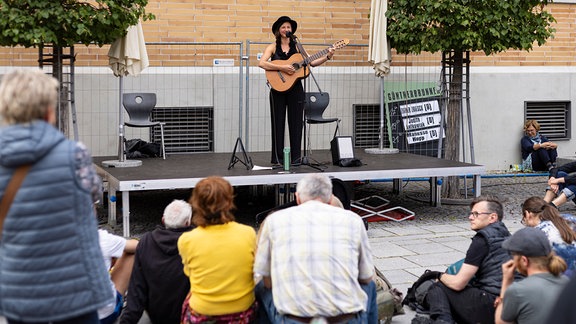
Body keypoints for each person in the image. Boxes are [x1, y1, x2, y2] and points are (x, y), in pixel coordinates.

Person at [0, 69, 112, 323]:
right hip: (76, 289)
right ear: (48, 111)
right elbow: (94, 194)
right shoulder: (75, 155)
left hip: (19, 289)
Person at [254, 173, 377, 323]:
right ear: (331, 198)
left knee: (260, 288)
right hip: (343, 318)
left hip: (294, 319)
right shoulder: (354, 220)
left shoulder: (273, 220)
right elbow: (366, 277)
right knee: (370, 286)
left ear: (297, 198)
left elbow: (266, 280)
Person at [178, 176, 257, 323]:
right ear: (229, 202)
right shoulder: (248, 233)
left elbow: (190, 273)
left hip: (203, 311)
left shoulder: (187, 240)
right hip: (241, 311)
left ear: (196, 204)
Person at [258, 16, 335, 165]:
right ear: (278, 30)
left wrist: (328, 56)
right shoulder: (273, 46)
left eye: (289, 27)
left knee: (296, 123)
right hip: (277, 90)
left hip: (296, 90)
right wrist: (282, 67)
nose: (287, 30)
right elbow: (261, 63)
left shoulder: (298, 47)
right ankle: (277, 159)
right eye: (283, 27)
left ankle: (296, 158)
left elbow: (312, 62)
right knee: (278, 123)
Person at [425, 196, 512, 324]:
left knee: (438, 287)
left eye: (476, 214)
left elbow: (458, 283)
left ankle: (443, 320)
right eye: (471, 213)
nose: (470, 217)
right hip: (510, 305)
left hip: (490, 304)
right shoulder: (508, 236)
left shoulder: (482, 240)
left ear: (492, 217)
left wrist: (437, 275)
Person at [120, 199, 193, 324]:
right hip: (189, 315)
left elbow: (137, 288)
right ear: (187, 223)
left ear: (163, 220)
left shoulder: (147, 242)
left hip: (157, 315)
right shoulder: (196, 243)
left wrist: (127, 321)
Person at [495, 227, 569, 324]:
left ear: (524, 261)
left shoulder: (517, 290)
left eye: (513, 255)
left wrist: (506, 282)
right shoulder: (568, 283)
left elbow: (501, 322)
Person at [520, 196, 576, 276]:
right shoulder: (570, 219)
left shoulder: (537, 233)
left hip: (561, 280)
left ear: (528, 214)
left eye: (524, 220)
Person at [98, 229, 138, 323]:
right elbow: (137, 245)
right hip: (103, 316)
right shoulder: (99, 237)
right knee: (130, 253)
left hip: (63, 315)